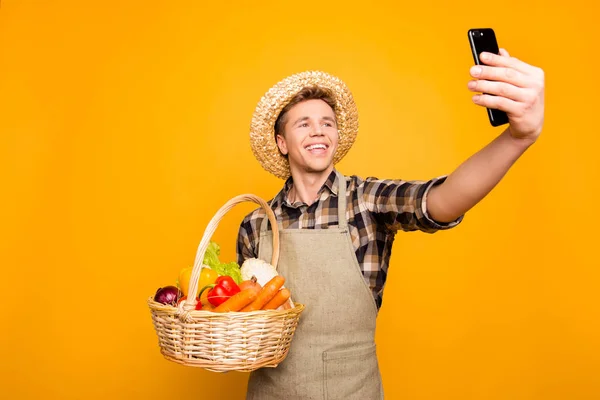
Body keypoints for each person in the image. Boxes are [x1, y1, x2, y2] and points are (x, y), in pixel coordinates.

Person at [236, 49, 545, 399]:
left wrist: (517, 138)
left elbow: (440, 200)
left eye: (327, 122)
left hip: (353, 392)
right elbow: (242, 324)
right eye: (303, 124)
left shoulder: (365, 200)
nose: (318, 131)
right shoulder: (256, 223)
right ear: (281, 143)